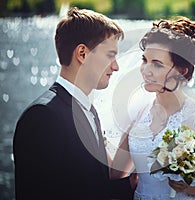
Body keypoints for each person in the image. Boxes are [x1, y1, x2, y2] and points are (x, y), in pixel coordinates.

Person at [13, 7, 136, 200]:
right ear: (82, 54)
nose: (116, 66)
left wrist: (133, 186)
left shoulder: (90, 112)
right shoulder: (43, 116)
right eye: (110, 55)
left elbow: (94, 185)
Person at [110, 17, 195, 199]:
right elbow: (116, 172)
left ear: (181, 71)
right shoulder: (138, 113)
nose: (145, 69)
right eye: (144, 60)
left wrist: (188, 187)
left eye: (157, 64)